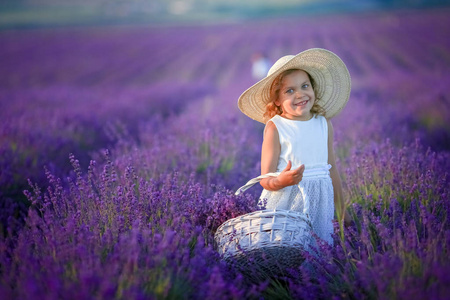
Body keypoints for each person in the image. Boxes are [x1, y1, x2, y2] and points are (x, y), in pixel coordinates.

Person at [236, 48, 352, 245]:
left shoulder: (323, 124)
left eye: (305, 86)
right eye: (290, 90)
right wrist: (281, 180)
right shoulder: (276, 127)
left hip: (320, 202)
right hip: (286, 202)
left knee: (318, 251)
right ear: (278, 100)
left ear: (314, 89)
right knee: (285, 248)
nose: (300, 94)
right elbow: (266, 179)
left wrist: (341, 210)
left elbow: (331, 170)